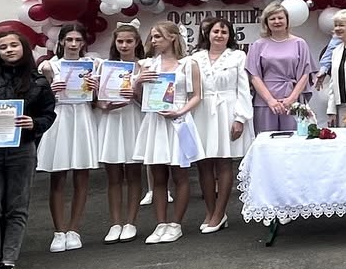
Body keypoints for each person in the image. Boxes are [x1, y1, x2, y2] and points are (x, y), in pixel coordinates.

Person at [0, 28, 57, 269]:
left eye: (13, 45)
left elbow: (48, 114)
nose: (8, 50)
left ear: (24, 49)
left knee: (16, 206)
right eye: (3, 47)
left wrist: (34, 124)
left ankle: (7, 260)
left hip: (22, 149)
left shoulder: (38, 81)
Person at [130, 21, 196, 245]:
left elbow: (197, 95)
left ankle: (176, 223)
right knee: (158, 176)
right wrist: (138, 82)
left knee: (180, 174)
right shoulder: (146, 65)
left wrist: (181, 111)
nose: (154, 40)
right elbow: (139, 99)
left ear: (172, 38)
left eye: (158, 36)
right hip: (155, 122)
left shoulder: (187, 64)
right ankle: (160, 224)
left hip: (178, 120)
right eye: (153, 36)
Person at [37, 26, 100, 252]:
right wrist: (50, 89)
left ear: (83, 43)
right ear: (61, 42)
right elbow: (40, 99)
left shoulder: (92, 65)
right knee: (58, 175)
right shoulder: (49, 66)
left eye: (78, 40)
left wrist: (95, 89)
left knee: (82, 174)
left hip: (82, 117)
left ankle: (74, 229)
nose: (73, 44)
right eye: (69, 39)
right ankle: (59, 230)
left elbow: (98, 100)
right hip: (60, 117)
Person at [189, 16, 250, 233]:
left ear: (230, 36)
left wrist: (240, 118)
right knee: (204, 162)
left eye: (224, 32)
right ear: (208, 33)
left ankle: (219, 213)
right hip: (202, 112)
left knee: (224, 162)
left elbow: (243, 89)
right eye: (216, 31)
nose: (219, 35)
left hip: (227, 110)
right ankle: (211, 210)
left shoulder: (238, 56)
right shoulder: (195, 58)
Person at [94, 22, 146, 243]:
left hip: (133, 120)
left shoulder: (144, 67)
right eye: (120, 41)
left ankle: (131, 222)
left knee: (134, 174)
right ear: (115, 43)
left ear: (136, 43)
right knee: (113, 176)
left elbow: (150, 102)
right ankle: (115, 223)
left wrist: (134, 92)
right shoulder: (105, 67)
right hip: (112, 122)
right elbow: (99, 102)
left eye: (129, 41)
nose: (124, 45)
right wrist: (102, 102)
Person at [248, 3, 318, 137]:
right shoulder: (258, 45)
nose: (277, 21)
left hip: (292, 100)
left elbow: (305, 73)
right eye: (272, 19)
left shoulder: (300, 43)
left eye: (280, 18)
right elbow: (254, 76)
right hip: (265, 101)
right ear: (266, 23)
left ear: (287, 21)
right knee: (266, 140)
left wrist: (292, 98)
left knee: (294, 140)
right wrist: (270, 100)